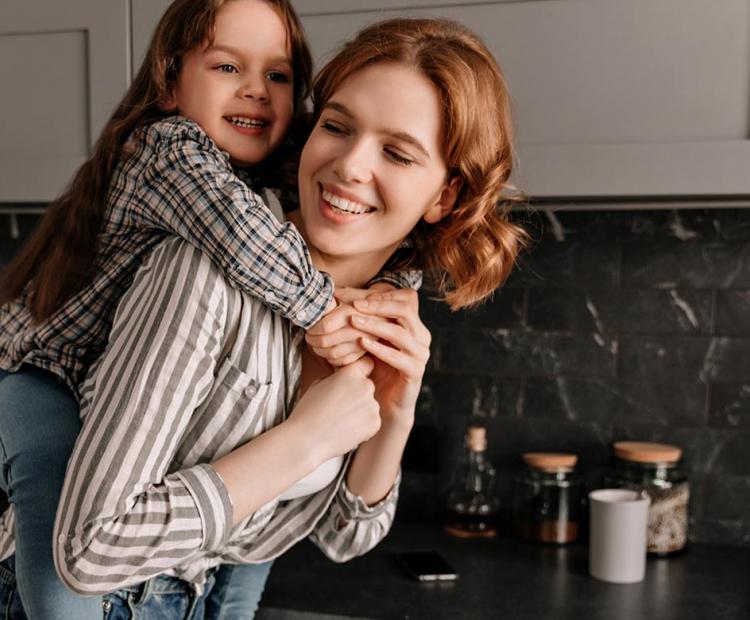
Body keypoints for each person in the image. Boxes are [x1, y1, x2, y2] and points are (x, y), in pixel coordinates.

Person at [50, 16, 528, 618]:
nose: (351, 165)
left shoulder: (383, 307)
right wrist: (305, 441)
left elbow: (344, 537)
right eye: (337, 126)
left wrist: (397, 408)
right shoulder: (202, 271)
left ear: (445, 196)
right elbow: (89, 550)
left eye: (397, 153)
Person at [0, 1, 415, 617]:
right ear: (169, 84)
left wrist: (392, 317)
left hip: (186, 571)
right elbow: (239, 234)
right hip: (39, 369)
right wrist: (332, 310)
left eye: (278, 76)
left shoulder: (269, 189)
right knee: (49, 489)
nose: (256, 91)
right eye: (227, 66)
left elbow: (338, 535)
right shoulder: (169, 152)